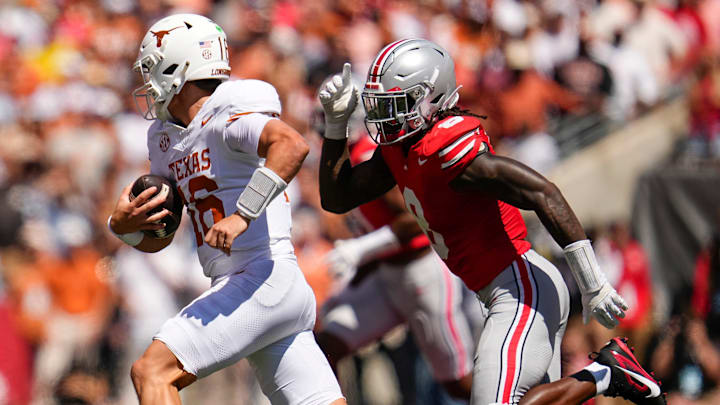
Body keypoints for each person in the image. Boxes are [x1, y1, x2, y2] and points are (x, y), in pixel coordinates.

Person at [317, 38, 664, 405]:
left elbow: (543, 192)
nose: (385, 117)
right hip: (503, 291)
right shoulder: (401, 150)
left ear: (431, 97)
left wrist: (593, 282)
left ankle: (607, 372)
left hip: (521, 288)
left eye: (397, 104)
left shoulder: (446, 149)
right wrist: (336, 125)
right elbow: (338, 197)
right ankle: (605, 374)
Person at [107, 14, 345, 405]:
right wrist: (125, 227)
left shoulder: (225, 112)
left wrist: (242, 214)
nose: (146, 83)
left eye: (151, 69)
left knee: (151, 371)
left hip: (260, 278)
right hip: (261, 286)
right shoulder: (166, 138)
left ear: (177, 68)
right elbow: (160, 240)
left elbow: (291, 145)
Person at [317, 132, 484, 400]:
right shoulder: (346, 157)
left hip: (422, 274)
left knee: (459, 384)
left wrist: (362, 248)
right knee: (325, 345)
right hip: (386, 276)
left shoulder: (366, 155)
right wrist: (349, 282)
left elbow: (416, 218)